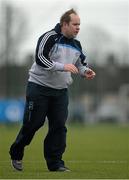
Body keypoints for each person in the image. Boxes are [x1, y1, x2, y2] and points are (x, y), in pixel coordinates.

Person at [9, 8, 96, 172]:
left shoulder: (77, 44)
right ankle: (16, 152)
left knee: (59, 126)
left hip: (60, 92)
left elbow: (80, 64)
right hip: (38, 88)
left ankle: (55, 164)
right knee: (33, 124)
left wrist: (86, 72)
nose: (78, 28)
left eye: (80, 25)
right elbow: (40, 58)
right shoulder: (49, 37)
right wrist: (63, 67)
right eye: (75, 24)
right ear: (64, 24)